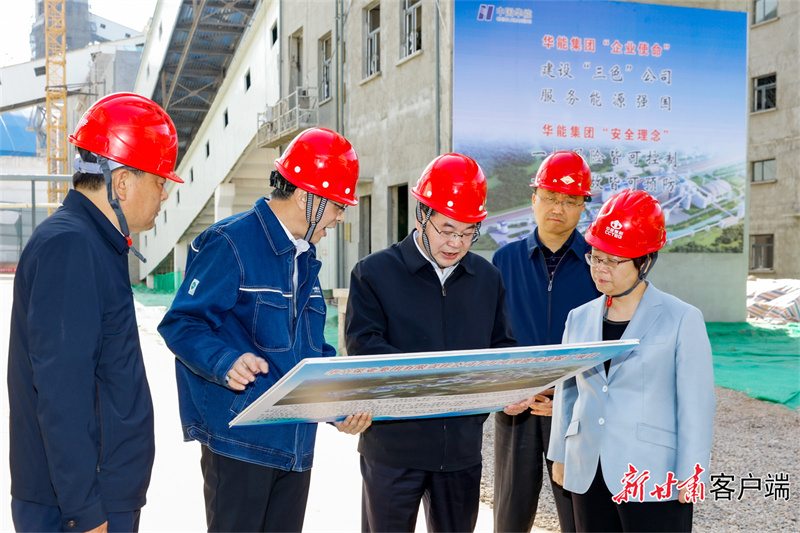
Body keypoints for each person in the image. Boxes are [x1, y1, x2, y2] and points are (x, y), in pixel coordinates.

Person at [157, 127, 370, 532]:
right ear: (307, 198)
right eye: (338, 205)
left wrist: (341, 405)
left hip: (294, 447)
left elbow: (308, 354)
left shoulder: (303, 258)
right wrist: (225, 361)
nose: (341, 216)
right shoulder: (230, 243)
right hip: (240, 446)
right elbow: (181, 323)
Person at [7, 92, 183, 532]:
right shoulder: (72, 246)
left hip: (96, 495)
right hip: (78, 506)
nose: (164, 194)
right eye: (159, 181)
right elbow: (62, 392)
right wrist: (85, 512)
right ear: (121, 183)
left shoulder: (94, 243)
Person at [345, 153, 516, 533]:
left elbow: (502, 347)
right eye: (446, 229)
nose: (455, 243)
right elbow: (364, 347)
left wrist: (511, 386)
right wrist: (440, 378)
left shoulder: (487, 278)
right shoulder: (374, 273)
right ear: (421, 215)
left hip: (461, 451)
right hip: (392, 450)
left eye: (468, 233)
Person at [548, 189, 716, 532]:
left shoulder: (681, 318)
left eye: (613, 261)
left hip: (652, 471)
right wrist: (560, 454)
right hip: (587, 468)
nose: (600, 269)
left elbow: (696, 406)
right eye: (595, 257)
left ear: (645, 261)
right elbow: (568, 393)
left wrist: (692, 473)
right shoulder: (578, 318)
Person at [492, 151, 600, 533]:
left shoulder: (597, 264)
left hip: (575, 409)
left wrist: (572, 398)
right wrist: (508, 388)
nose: (559, 208)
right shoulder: (504, 262)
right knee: (510, 513)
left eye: (570, 201)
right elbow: (490, 335)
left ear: (583, 207)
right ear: (534, 198)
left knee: (579, 515)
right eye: (551, 197)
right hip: (517, 405)